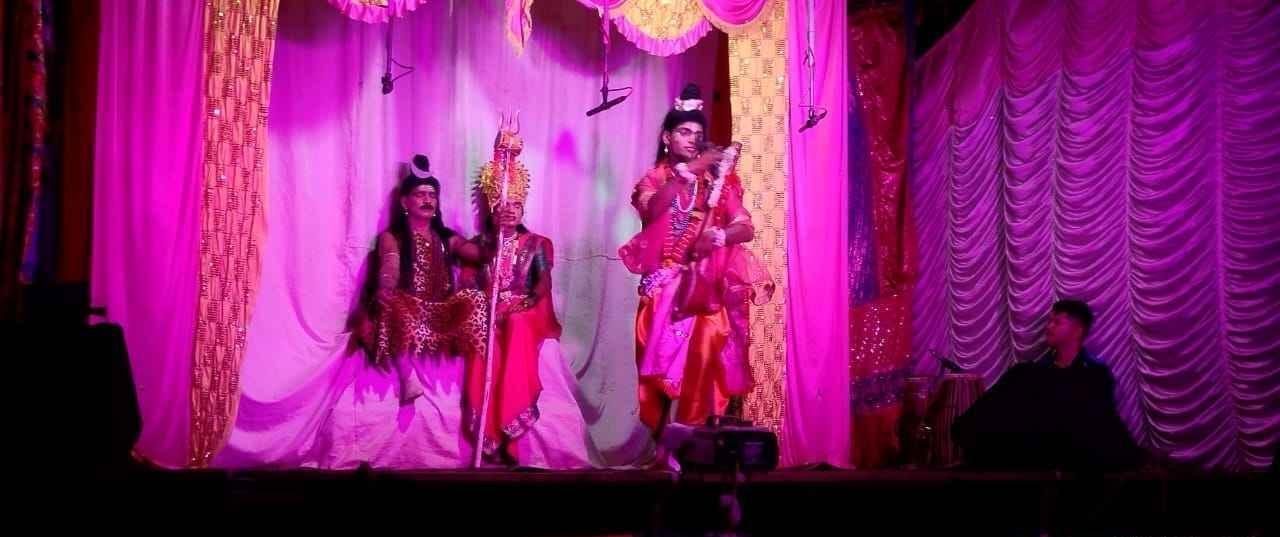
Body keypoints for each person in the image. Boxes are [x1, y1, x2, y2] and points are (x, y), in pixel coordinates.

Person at [619, 84, 774, 441]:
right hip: (662, 287)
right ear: (666, 137)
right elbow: (653, 208)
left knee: (709, 343)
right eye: (684, 132)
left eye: (698, 135)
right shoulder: (655, 179)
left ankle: (696, 444)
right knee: (659, 374)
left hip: (703, 287)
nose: (691, 139)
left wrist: (720, 237)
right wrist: (687, 172)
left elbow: (744, 226)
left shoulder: (720, 183)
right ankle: (663, 452)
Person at [460, 115, 593, 467]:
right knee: (483, 337)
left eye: (515, 206)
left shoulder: (536, 243)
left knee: (517, 326)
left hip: (525, 312)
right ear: (492, 210)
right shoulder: (480, 246)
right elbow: (471, 285)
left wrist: (520, 305)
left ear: (523, 209)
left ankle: (512, 427)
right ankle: (488, 434)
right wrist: (486, 306)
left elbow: (542, 284)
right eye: (503, 206)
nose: (509, 211)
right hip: (491, 312)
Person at [357, 155, 491, 405]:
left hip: (440, 311)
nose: (427, 200)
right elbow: (390, 265)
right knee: (390, 299)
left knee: (475, 298)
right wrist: (386, 285)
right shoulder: (392, 236)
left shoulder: (445, 237)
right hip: (409, 309)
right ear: (404, 201)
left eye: (432, 195)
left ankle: (480, 374)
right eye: (420, 195)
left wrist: (499, 228)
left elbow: (477, 254)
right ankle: (409, 378)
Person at [952, 299, 1143, 471]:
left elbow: (1102, 424)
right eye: (1049, 321)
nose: (1049, 327)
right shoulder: (1030, 373)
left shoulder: (1094, 374)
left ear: (1078, 330)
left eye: (1057, 322)